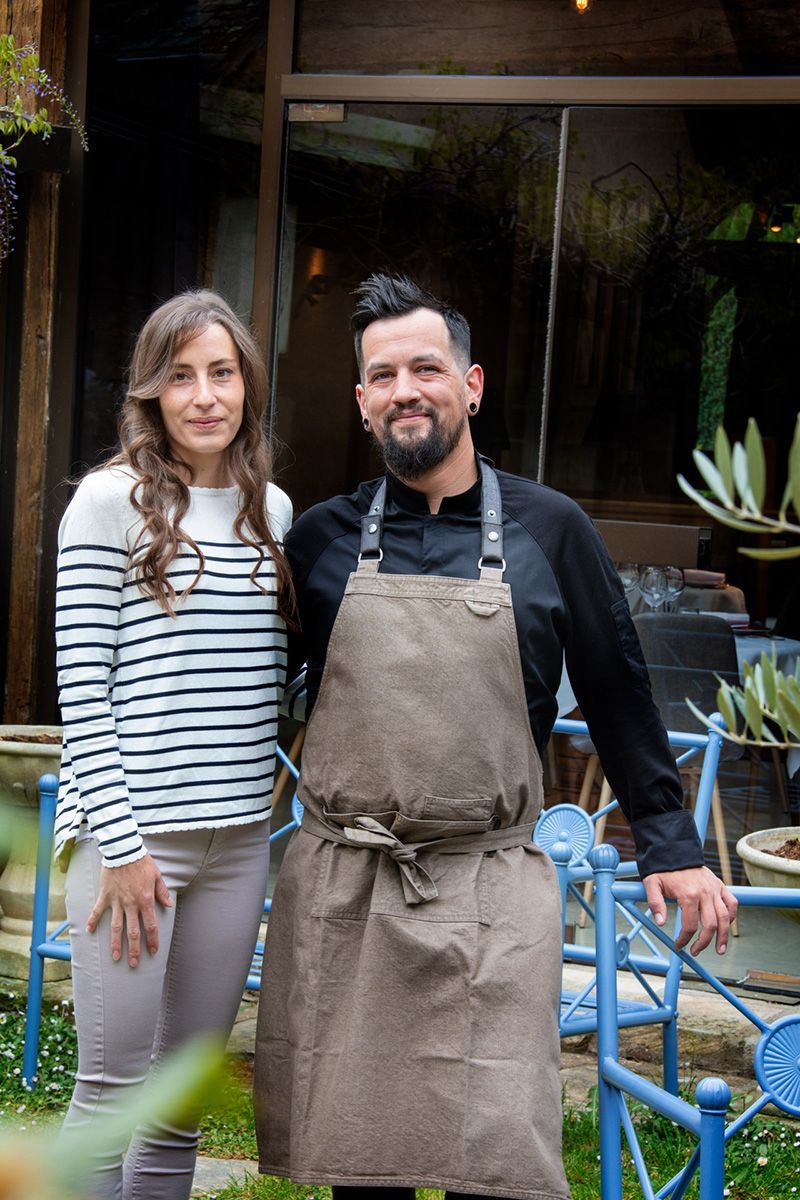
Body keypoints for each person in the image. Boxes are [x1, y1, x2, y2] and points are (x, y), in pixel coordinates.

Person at [254, 274, 737, 1200]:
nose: (407, 389)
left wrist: (671, 846)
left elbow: (618, 693)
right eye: (384, 374)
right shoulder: (319, 539)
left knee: (499, 1163)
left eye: (426, 367)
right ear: (361, 401)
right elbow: (248, 694)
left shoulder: (550, 531)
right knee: (366, 1162)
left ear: (471, 384)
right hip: (351, 892)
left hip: (489, 889)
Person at [54, 289, 294, 1200]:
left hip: (237, 849)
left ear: (246, 386)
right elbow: (84, 689)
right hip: (134, 846)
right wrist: (119, 849)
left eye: (222, 373)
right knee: (113, 1094)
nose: (204, 396)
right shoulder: (106, 502)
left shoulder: (269, 508)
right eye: (181, 376)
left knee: (176, 1108)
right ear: (151, 392)